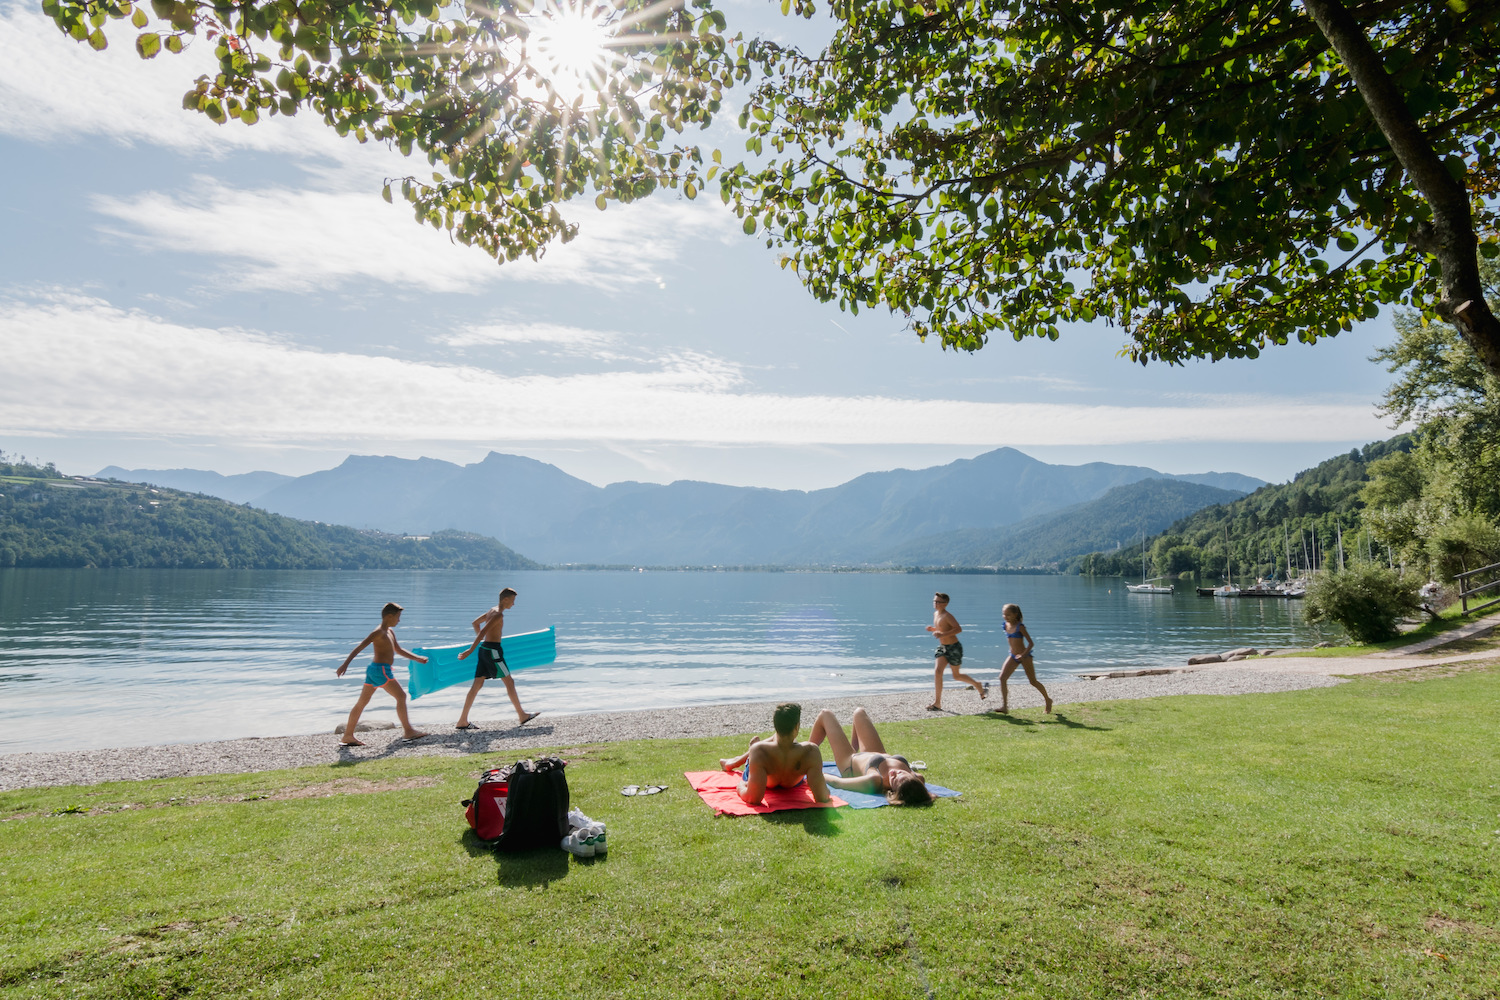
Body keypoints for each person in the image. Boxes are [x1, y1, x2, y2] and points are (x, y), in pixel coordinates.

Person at [335, 601, 429, 745]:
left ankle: (347, 735)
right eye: (398, 617)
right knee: (401, 696)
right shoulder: (378, 632)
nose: (399, 620)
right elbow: (359, 647)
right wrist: (345, 664)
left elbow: (398, 650)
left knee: (362, 703)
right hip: (381, 671)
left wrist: (417, 658)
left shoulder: (390, 632)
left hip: (374, 670)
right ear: (389, 616)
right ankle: (408, 731)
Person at [806, 707, 932, 806]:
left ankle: (805, 755)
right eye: (900, 773)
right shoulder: (918, 779)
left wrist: (814, 773)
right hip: (873, 754)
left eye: (894, 779)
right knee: (859, 713)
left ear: (893, 791)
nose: (894, 773)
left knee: (825, 714)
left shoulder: (875, 780)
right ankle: (853, 748)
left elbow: (837, 783)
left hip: (849, 762)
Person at [455, 587, 540, 729]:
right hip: (493, 652)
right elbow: (482, 631)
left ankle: (462, 721)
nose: (513, 604)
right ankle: (522, 715)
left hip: (485, 650)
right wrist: (470, 650)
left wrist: (482, 643)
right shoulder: (498, 615)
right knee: (509, 682)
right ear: (505, 599)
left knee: (477, 685)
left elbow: (475, 623)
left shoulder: (491, 611)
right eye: (512, 601)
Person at [717, 702, 832, 806]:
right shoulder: (811, 751)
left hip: (765, 766)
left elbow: (753, 798)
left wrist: (741, 787)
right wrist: (825, 790)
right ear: (797, 727)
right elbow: (822, 797)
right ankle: (739, 757)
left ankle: (738, 758)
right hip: (792, 780)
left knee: (761, 748)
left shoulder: (759, 751)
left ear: (776, 725)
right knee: (785, 743)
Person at [926, 592, 986, 710]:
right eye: (934, 601)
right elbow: (942, 628)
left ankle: (977, 684)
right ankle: (937, 703)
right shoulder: (935, 614)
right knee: (938, 672)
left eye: (938, 602)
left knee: (956, 675)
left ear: (945, 604)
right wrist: (933, 629)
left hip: (954, 647)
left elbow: (958, 629)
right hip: (942, 647)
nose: (935, 603)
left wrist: (942, 633)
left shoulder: (948, 616)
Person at [995, 602, 1052, 714]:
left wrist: (1023, 654)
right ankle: (1005, 706)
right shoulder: (1005, 625)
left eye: (1008, 615)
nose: (1005, 617)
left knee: (1033, 681)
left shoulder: (1020, 627)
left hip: (1025, 656)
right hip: (1012, 656)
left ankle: (1048, 700)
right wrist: (1015, 654)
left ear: (1015, 615)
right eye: (1004, 614)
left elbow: (1031, 643)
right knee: (1002, 678)